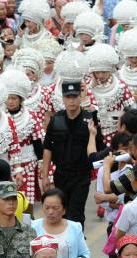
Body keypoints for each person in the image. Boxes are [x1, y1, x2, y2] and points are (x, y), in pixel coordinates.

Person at [40, 81, 103, 224]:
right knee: (60, 212)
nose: (72, 100)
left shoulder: (90, 119)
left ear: (81, 97)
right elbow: (47, 148)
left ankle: (76, 243)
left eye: (75, 96)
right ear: (63, 99)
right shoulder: (56, 120)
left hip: (81, 175)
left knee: (76, 214)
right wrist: (45, 176)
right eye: (68, 97)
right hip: (61, 174)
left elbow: (98, 146)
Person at [31, 189, 91, 258]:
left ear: (64, 210)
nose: (50, 212)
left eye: (55, 208)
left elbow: (86, 255)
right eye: (47, 207)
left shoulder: (75, 227)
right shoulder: (33, 227)